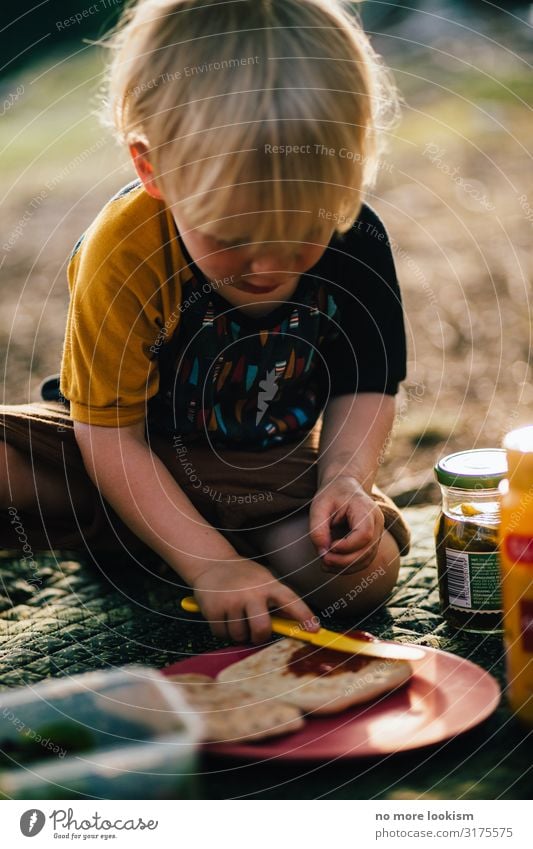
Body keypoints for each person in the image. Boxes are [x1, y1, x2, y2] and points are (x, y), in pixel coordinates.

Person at [0, 0, 410, 644]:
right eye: (231, 235)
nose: (268, 264)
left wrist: (344, 478)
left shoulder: (354, 233)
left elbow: (369, 381)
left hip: (258, 471)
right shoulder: (125, 251)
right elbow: (108, 435)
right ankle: (169, 549)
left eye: (303, 233)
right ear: (151, 168)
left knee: (361, 576)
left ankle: (173, 556)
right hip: (113, 458)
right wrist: (211, 564)